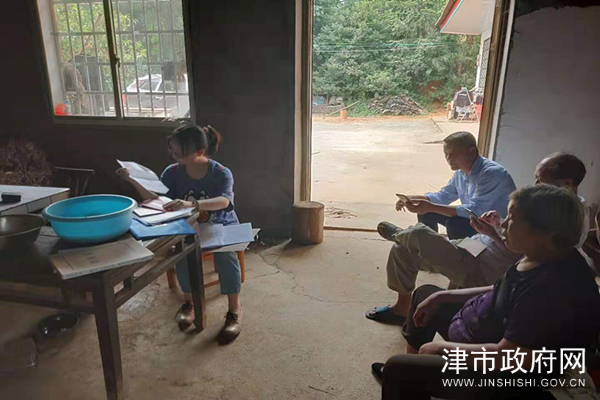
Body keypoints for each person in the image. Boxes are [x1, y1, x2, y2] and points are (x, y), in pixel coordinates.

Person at [373, 185, 600, 400]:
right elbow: (503, 287)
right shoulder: (543, 254)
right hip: (483, 330)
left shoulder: (549, 289)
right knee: (425, 295)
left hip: (506, 376)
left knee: (398, 370)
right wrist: (443, 295)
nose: (503, 224)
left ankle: (411, 374)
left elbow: (511, 357)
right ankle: (417, 371)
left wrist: (443, 348)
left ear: (546, 233)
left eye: (512, 219)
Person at [366, 152, 588, 325]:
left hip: (484, 267)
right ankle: (402, 308)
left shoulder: (563, 218)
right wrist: (498, 224)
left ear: (567, 184)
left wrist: (492, 232)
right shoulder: (550, 203)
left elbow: (525, 257)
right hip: (477, 247)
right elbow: (517, 235)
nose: (535, 185)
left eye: (541, 181)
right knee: (402, 249)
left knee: (418, 235)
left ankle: (401, 234)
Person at [117, 124, 243, 344]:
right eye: (172, 150)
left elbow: (224, 201)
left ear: (200, 152)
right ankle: (189, 303)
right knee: (182, 255)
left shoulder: (221, 172)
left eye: (179, 152)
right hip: (188, 226)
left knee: (226, 256)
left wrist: (192, 204)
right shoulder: (173, 172)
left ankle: (234, 310)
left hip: (221, 224)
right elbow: (157, 200)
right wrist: (131, 180)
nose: (174, 156)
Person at [398, 131, 516, 240]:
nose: (448, 158)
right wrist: (414, 198)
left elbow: (475, 210)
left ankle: (458, 254)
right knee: (426, 211)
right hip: (477, 221)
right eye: (446, 154)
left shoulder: (492, 173)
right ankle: (425, 245)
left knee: (456, 224)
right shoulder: (460, 173)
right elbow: (444, 196)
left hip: (496, 229)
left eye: (453, 154)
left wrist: (431, 206)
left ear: (471, 152)